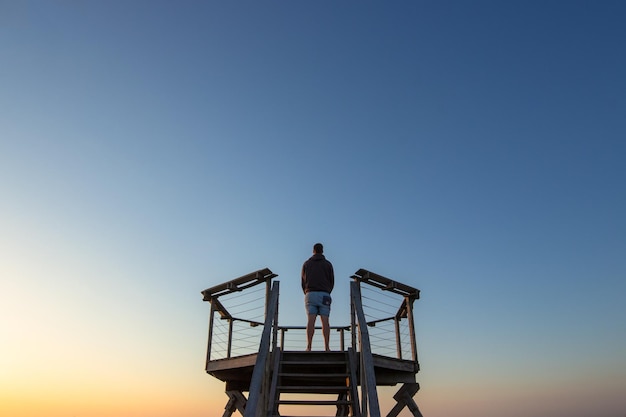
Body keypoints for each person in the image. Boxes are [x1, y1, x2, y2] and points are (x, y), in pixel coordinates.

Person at [301, 242, 334, 351]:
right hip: (324, 294)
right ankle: (327, 347)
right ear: (322, 251)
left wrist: (306, 291)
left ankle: (309, 346)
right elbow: (332, 281)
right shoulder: (328, 264)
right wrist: (328, 291)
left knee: (311, 320)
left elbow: (303, 281)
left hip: (310, 293)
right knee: (325, 321)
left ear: (313, 250)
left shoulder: (306, 264)